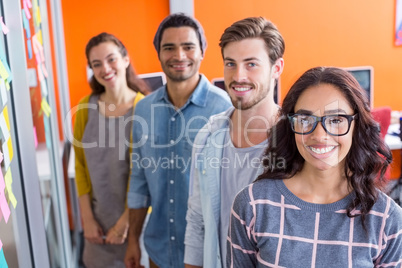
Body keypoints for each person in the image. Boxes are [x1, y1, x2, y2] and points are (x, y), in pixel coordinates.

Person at [227, 67, 402, 267]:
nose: (319, 136)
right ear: (290, 125)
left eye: (336, 119)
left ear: (357, 125)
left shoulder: (387, 218)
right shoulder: (252, 205)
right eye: (304, 119)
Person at [124, 13, 232, 268]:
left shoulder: (224, 109)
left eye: (188, 47)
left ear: (202, 51)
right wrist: (132, 242)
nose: (179, 56)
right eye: (169, 47)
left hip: (209, 255)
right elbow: (139, 181)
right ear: (159, 53)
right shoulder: (143, 110)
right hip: (158, 251)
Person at [184, 17, 285, 268]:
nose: (238, 76)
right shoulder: (208, 136)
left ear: (277, 68)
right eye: (231, 64)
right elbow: (198, 220)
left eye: (251, 64)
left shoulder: (297, 140)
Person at [73, 32, 149, 268]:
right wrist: (86, 217)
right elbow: (80, 165)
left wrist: (126, 223)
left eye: (111, 59)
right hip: (97, 228)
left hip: (137, 228)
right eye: (96, 64)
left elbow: (148, 175)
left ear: (125, 59)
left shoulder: (145, 108)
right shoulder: (86, 107)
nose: (105, 68)